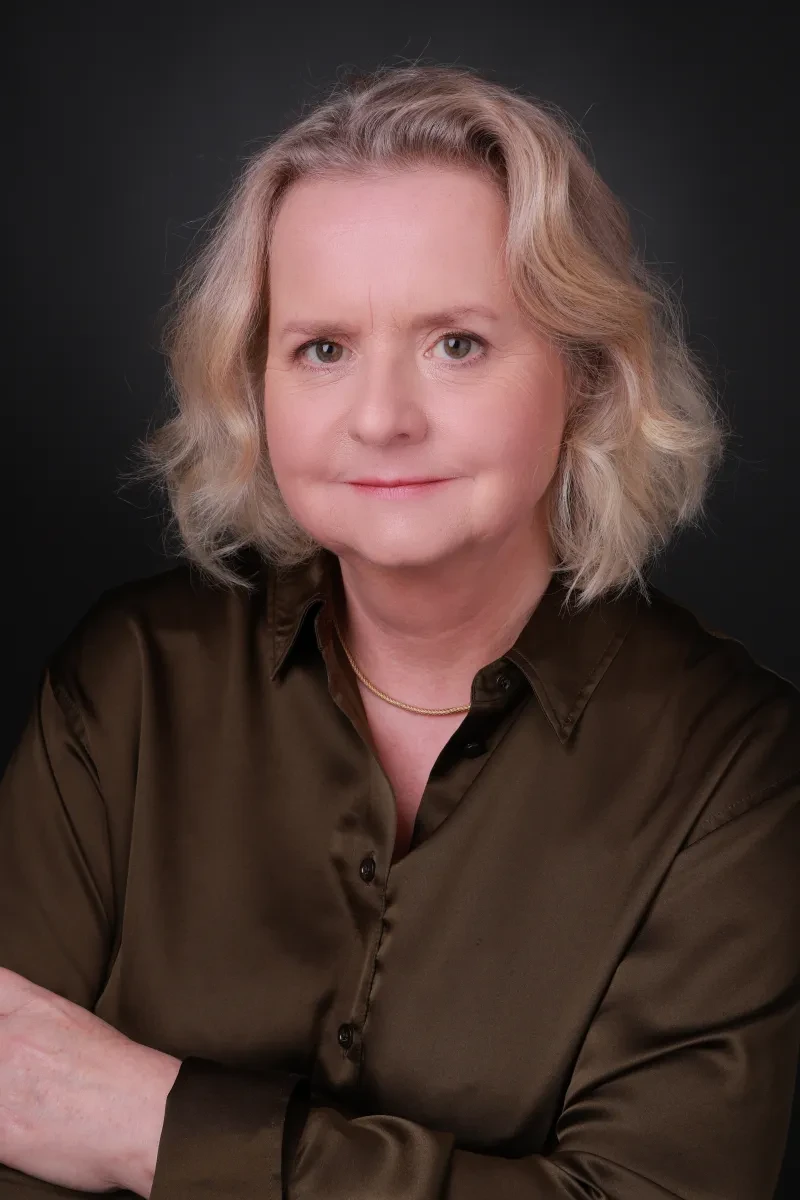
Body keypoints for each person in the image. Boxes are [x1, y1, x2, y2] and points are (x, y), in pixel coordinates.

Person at [0, 61, 798, 1200]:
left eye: (455, 343)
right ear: (255, 383)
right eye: (321, 348)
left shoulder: (736, 768)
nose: (379, 418)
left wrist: (149, 1127)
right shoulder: (130, 681)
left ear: (580, 374)